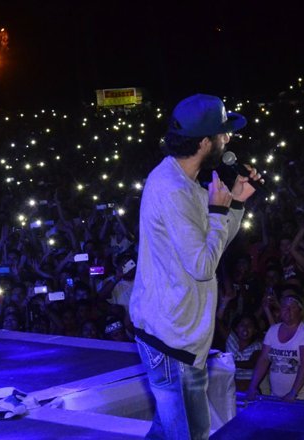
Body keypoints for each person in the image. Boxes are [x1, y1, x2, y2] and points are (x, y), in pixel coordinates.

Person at [129, 94, 256, 440]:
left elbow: (211, 247)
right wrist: (217, 211)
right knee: (190, 433)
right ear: (204, 142)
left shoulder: (187, 184)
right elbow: (203, 266)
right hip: (169, 338)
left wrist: (234, 205)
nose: (228, 139)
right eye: (223, 133)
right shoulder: (172, 190)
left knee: (171, 431)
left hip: (182, 335)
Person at [248, 293, 304, 401]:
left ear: (300, 311)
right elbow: (263, 360)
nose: (287, 310)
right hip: (278, 396)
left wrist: (293, 393)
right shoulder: (272, 330)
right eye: (284, 307)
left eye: (292, 307)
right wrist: (252, 387)